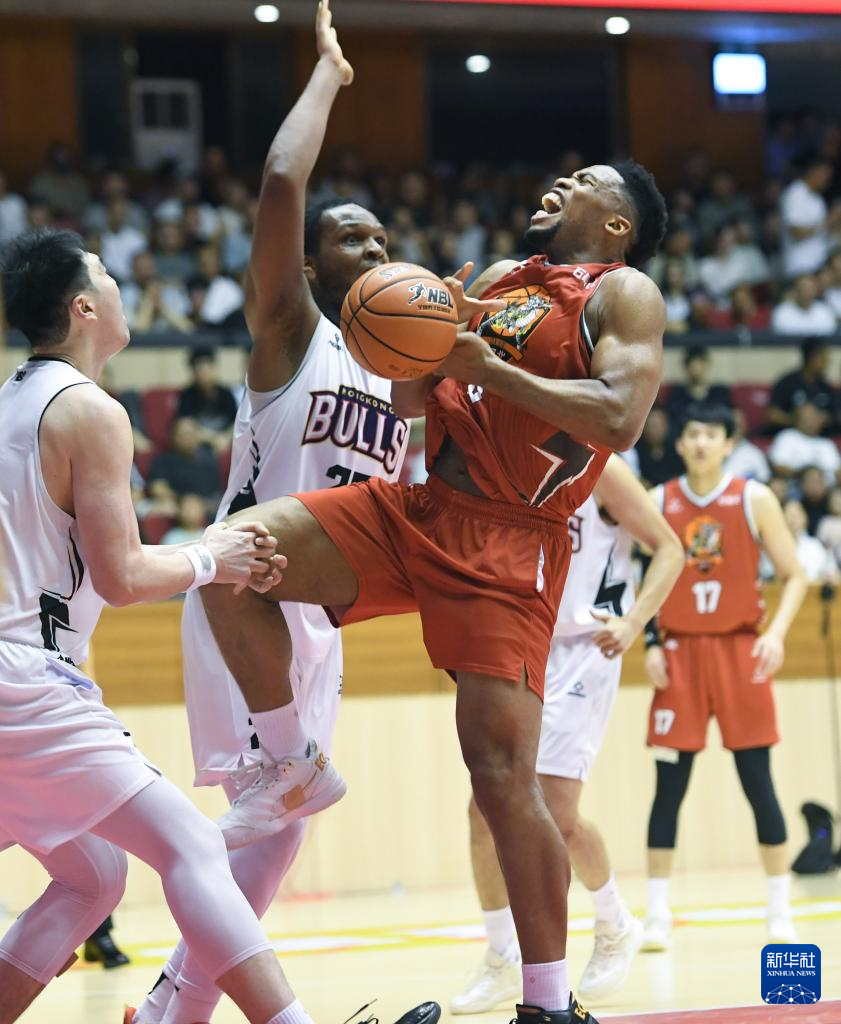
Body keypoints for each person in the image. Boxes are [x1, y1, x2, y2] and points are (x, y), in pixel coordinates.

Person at [194, 49, 669, 1023]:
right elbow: (416, 399)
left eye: (585, 181)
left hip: (511, 544)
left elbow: (618, 419)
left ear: (616, 224)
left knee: (501, 782)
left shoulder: (622, 295)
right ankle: (291, 762)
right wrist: (413, 341)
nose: (562, 182)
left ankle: (547, 1001)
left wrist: (481, 365)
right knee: (234, 557)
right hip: (415, 508)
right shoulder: (498, 278)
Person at [128, 5, 478, 1019]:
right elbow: (284, 180)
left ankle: (173, 1004)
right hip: (247, 591)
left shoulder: (402, 372)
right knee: (260, 813)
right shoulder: (292, 331)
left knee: (277, 838)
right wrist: (328, 72)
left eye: (383, 237)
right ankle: (176, 994)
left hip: (320, 616)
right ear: (314, 266)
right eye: (349, 238)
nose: (373, 247)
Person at [0, 227, 309, 1024]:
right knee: (190, 846)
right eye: (105, 275)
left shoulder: (8, 402)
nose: (118, 286)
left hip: (18, 679)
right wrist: (214, 557)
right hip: (23, 681)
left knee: (93, 876)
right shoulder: (88, 409)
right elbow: (124, 577)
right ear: (83, 307)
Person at [452, 455, 683, 1013]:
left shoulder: (603, 467)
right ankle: (502, 956)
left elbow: (670, 548)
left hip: (584, 648)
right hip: (521, 642)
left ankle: (614, 923)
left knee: (555, 813)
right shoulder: (508, 456)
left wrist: (634, 622)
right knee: (483, 812)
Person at [641, 402, 808, 951]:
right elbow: (638, 573)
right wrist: (649, 642)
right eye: (693, 434)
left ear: (729, 443)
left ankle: (779, 911)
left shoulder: (754, 498)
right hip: (680, 655)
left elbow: (795, 575)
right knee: (669, 788)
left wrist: (775, 634)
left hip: (740, 650)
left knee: (759, 783)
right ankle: (657, 915)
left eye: (712, 434)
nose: (701, 443)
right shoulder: (658, 500)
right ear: (680, 444)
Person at [176, 346, 239, 452]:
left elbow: (237, 423)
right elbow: (185, 424)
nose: (203, 372)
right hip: (198, 443)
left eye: (207, 367)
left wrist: (226, 438)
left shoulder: (226, 394)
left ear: (214, 368)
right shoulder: (187, 395)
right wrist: (213, 439)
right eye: (199, 368)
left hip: (224, 442)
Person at [767, 339, 838, 433]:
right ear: (811, 358)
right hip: (791, 435)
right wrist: (797, 420)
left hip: (819, 437)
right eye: (823, 358)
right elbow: (772, 415)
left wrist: (822, 419)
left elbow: (835, 415)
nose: (827, 362)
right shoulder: (787, 383)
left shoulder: (825, 386)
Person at [768, 402, 841, 486]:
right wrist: (805, 475)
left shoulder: (827, 444)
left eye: (814, 417)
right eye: (807, 418)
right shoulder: (787, 437)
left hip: (827, 489)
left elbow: (837, 470)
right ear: (798, 419)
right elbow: (778, 467)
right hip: (794, 487)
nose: (811, 421)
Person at [665, 344, 731, 424]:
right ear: (686, 367)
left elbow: (727, 418)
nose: (696, 368)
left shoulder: (720, 393)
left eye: (700, 363)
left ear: (707, 364)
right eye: (693, 364)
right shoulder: (677, 396)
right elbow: (674, 421)